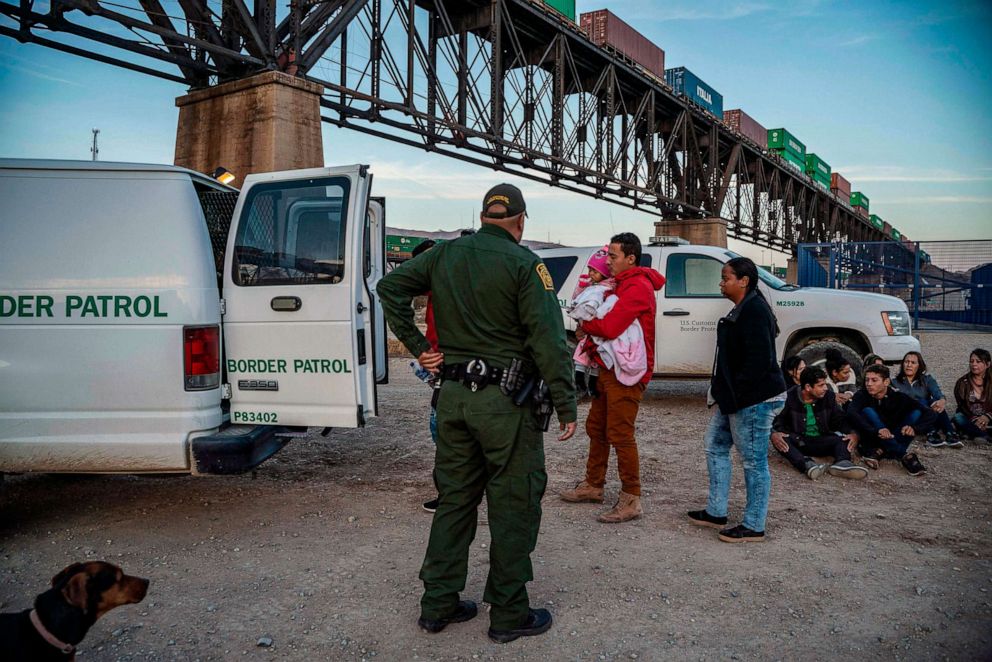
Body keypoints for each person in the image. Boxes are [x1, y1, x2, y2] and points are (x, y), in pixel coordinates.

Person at [376, 183, 577, 644]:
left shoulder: (445, 254)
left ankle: (438, 604)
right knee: (513, 504)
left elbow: (390, 287)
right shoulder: (527, 264)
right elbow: (548, 340)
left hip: (453, 399)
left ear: (484, 215)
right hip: (504, 407)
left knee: (455, 500)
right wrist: (566, 403)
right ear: (520, 221)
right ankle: (508, 614)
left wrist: (421, 348)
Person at [559, 233, 665, 523]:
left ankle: (632, 498)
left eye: (613, 256)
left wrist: (585, 323)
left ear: (631, 258)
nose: (608, 261)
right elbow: (605, 325)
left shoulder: (637, 288)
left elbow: (611, 325)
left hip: (627, 373)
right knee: (597, 426)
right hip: (610, 368)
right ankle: (594, 486)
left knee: (619, 432)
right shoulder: (621, 285)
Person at [687, 257, 787, 543]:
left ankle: (754, 525)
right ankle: (716, 511)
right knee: (715, 446)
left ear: (743, 280)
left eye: (726, 277)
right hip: (734, 398)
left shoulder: (754, 311)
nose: (721, 282)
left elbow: (759, 362)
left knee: (754, 462)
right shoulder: (743, 308)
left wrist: (736, 394)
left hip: (754, 400)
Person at [770, 366, 867, 480]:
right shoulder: (789, 397)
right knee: (782, 441)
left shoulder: (829, 397)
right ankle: (807, 465)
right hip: (798, 440)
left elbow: (840, 420)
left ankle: (842, 464)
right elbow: (775, 421)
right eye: (821, 385)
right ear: (807, 387)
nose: (825, 388)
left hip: (821, 439)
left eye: (825, 384)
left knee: (843, 440)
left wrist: (853, 433)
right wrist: (774, 433)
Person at [848, 364, 936, 475]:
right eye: (867, 380)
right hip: (872, 438)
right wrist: (876, 430)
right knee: (868, 411)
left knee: (916, 412)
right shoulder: (861, 395)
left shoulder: (898, 397)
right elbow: (851, 413)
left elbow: (930, 413)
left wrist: (915, 429)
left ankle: (881, 451)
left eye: (874, 380)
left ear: (886, 382)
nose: (869, 384)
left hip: (894, 435)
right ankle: (903, 455)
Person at [409, 239, 442, 513]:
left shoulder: (444, 291)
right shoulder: (439, 290)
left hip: (449, 368)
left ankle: (451, 494)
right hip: (444, 367)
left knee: (441, 430)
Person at [891, 351, 963, 448]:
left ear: (919, 365)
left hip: (929, 416)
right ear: (902, 364)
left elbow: (937, 393)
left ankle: (950, 433)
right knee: (922, 402)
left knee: (934, 402)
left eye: (913, 363)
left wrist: (941, 400)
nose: (909, 365)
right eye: (906, 362)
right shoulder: (895, 382)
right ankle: (931, 433)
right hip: (909, 417)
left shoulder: (927, 379)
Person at [569, 247, 613, 398]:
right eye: (590, 270)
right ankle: (580, 379)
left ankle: (593, 384)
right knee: (582, 351)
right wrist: (580, 286)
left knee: (597, 355)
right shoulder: (590, 286)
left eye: (595, 271)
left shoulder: (607, 288)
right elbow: (577, 298)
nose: (590, 274)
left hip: (596, 330)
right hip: (588, 328)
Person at [952, 348, 992, 442]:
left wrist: (987, 416)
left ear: (987, 364)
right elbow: (962, 406)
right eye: (971, 361)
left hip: (989, 417)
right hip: (970, 417)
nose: (974, 364)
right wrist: (975, 419)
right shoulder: (962, 383)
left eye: (978, 361)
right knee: (958, 418)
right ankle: (984, 435)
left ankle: (969, 433)